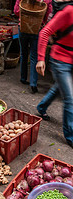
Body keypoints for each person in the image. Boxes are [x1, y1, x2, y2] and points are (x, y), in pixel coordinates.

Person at [36, 2, 73, 148]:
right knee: (70, 99)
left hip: (70, 61)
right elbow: (45, 32)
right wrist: (40, 59)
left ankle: (41, 107)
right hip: (60, 59)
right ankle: (70, 136)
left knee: (59, 87)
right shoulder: (69, 11)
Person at [14, 0, 52, 93]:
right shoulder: (47, 1)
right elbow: (47, 15)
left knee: (23, 53)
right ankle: (33, 84)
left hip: (23, 27)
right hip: (37, 28)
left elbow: (16, 11)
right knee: (34, 56)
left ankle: (23, 78)